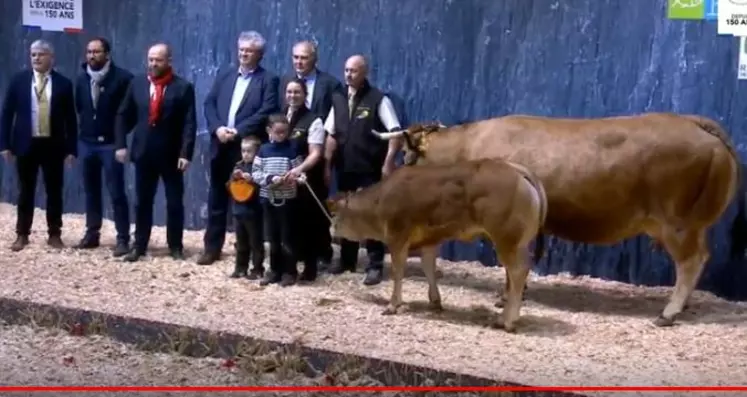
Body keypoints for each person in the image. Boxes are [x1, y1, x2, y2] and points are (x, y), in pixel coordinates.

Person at [198, 31, 280, 266]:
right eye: (241, 49)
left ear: (260, 55)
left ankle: (248, 255)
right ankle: (211, 248)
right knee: (216, 198)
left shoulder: (268, 79)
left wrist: (239, 131)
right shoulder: (225, 74)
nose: (243, 54)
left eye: (249, 51)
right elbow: (209, 103)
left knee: (246, 201)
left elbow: (267, 110)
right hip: (220, 145)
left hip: (246, 150)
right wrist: (217, 129)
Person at [323, 55, 404, 286]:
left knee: (371, 215)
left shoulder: (378, 99)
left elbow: (395, 133)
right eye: (346, 70)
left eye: (354, 71)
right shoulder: (338, 99)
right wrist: (327, 165)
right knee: (347, 212)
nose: (348, 75)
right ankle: (347, 260)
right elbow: (331, 134)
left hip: (369, 168)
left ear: (364, 72)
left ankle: (375, 265)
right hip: (345, 167)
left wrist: (388, 162)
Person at [115, 42, 197, 262]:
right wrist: (120, 143)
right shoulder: (137, 84)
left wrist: (185, 153)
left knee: (174, 203)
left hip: (171, 156)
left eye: (158, 60)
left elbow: (190, 124)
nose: (153, 64)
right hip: (143, 154)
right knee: (142, 202)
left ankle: (176, 246)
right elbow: (123, 115)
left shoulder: (183, 87)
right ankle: (139, 245)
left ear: (169, 61)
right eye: (150, 59)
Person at [0, 39, 77, 251]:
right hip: (25, 144)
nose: (36, 58)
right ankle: (22, 234)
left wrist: (71, 149)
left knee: (54, 190)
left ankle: (54, 234)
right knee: (25, 190)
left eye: (41, 54)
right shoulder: (18, 81)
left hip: (53, 146)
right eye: (33, 54)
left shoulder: (63, 84)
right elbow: (7, 114)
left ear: (51, 58)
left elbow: (71, 119)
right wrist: (4, 144)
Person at [281, 40, 343, 271]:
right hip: (293, 155)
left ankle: (322, 253)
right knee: (294, 211)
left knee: (316, 208)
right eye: (296, 57)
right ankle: (296, 252)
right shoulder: (286, 83)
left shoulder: (331, 85)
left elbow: (336, 123)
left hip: (317, 155)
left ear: (314, 59)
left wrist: (327, 160)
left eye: (304, 57)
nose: (299, 61)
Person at [74, 37, 133, 256]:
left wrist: (120, 138)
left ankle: (123, 238)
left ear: (107, 54)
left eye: (97, 52)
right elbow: (80, 108)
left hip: (111, 145)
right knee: (91, 191)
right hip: (87, 143)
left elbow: (130, 113)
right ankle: (92, 234)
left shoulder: (124, 79)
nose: (91, 56)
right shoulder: (81, 80)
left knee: (117, 192)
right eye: (89, 52)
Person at [283, 78, 327, 283]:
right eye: (290, 92)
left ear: (305, 95)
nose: (293, 96)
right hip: (284, 182)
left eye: (297, 92)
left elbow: (316, 154)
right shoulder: (280, 117)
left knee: (308, 226)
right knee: (287, 226)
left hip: (306, 181)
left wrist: (298, 170)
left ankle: (310, 269)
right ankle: (288, 269)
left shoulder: (314, 120)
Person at [251, 114, 303, 287]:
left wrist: (295, 177)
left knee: (287, 237)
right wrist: (270, 178)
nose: (281, 135)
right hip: (268, 199)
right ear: (269, 131)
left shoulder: (292, 149)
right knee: (272, 238)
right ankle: (274, 270)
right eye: (278, 132)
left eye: (284, 132)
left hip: (287, 200)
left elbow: (299, 170)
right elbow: (255, 173)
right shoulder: (263, 150)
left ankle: (290, 272)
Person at [229, 136, 265, 280]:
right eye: (243, 151)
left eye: (249, 151)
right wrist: (233, 177)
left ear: (257, 152)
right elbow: (229, 186)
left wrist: (253, 180)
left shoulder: (259, 169)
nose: (245, 154)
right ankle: (240, 268)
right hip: (239, 211)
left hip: (254, 212)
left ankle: (257, 269)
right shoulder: (238, 166)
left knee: (256, 243)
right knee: (241, 242)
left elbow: (263, 188)